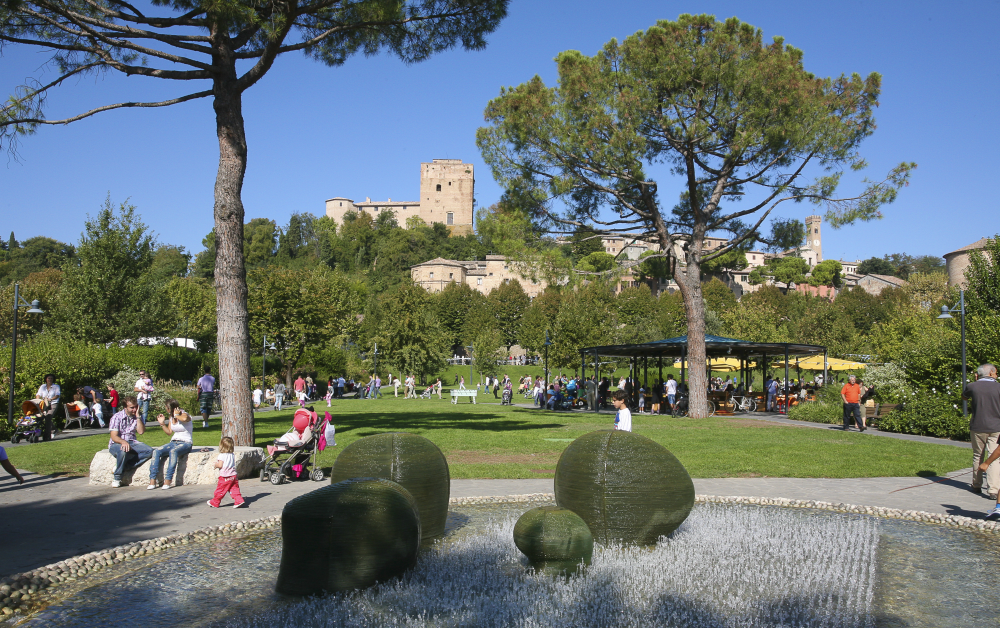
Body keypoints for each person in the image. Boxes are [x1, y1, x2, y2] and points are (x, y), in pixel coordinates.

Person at [965, 363, 1000, 500]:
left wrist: (975, 382)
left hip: (977, 426)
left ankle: (977, 484)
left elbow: (964, 397)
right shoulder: (998, 387)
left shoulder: (972, 386)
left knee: (977, 455)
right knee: (994, 457)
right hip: (996, 427)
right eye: (996, 372)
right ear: (991, 373)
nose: (997, 374)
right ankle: (993, 490)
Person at [107, 396, 152, 488]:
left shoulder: (138, 416)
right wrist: (123, 442)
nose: (134, 409)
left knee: (149, 451)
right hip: (117, 443)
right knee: (123, 451)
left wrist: (138, 417)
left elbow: (141, 432)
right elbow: (114, 436)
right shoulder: (117, 417)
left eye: (136, 406)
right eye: (132, 407)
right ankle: (117, 477)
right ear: (125, 407)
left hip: (132, 442)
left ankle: (125, 465)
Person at [148, 400, 193, 490]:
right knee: (156, 451)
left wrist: (176, 415)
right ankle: (152, 480)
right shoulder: (171, 417)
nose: (165, 409)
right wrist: (162, 423)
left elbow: (185, 419)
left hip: (185, 443)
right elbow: (169, 432)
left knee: (173, 451)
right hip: (173, 442)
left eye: (166, 407)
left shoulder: (184, 414)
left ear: (170, 408)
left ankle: (168, 480)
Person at [207, 436, 245, 508]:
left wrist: (216, 465)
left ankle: (215, 502)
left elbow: (220, 465)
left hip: (225, 476)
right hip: (233, 475)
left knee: (220, 490)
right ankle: (239, 500)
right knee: (234, 488)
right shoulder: (232, 455)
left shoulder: (221, 455)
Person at [34, 374, 61, 439]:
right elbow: (38, 394)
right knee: (41, 417)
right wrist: (37, 400)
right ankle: (54, 429)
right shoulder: (43, 386)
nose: (50, 380)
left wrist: (51, 399)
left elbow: (57, 395)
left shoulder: (56, 386)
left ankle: (47, 435)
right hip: (44, 404)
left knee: (48, 417)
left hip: (53, 403)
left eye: (51, 378)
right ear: (46, 379)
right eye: (48, 378)